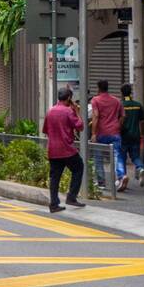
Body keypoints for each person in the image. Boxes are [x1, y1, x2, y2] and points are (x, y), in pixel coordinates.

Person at [42, 85, 85, 214]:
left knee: (55, 177)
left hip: (53, 150)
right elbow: (80, 126)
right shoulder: (68, 111)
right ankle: (71, 196)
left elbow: (45, 130)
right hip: (67, 149)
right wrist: (77, 111)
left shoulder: (50, 111)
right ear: (69, 98)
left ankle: (53, 203)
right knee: (78, 167)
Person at [89, 79, 124, 190]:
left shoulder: (95, 100)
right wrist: (118, 125)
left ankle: (101, 182)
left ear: (98, 88)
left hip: (101, 133)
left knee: (98, 158)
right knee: (117, 155)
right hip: (115, 132)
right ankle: (120, 177)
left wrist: (93, 133)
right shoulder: (117, 100)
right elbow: (123, 116)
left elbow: (96, 116)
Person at [117, 83, 144, 188]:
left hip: (123, 136)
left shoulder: (120, 105)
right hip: (135, 135)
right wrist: (142, 134)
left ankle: (123, 177)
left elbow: (118, 121)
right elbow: (142, 121)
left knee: (121, 157)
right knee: (135, 156)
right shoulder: (138, 105)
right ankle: (141, 168)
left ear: (121, 93)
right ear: (131, 92)